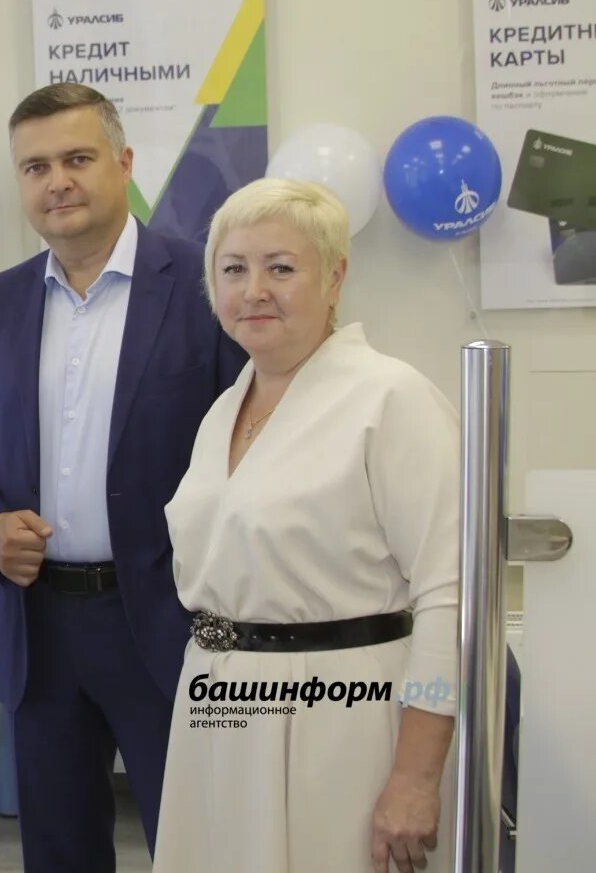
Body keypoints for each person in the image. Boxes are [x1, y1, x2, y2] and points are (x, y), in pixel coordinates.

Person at [0, 83, 246, 871]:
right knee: (59, 853)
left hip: (173, 621)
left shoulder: (205, 287)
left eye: (77, 159)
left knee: (199, 849)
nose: (57, 182)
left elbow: (256, 452)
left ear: (124, 164)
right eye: (36, 167)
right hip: (42, 631)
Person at [152, 178, 460, 873]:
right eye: (234, 269)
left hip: (341, 716)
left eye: (282, 268)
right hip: (219, 708)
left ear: (335, 278)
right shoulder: (225, 411)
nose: (254, 290)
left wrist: (416, 777)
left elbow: (450, 595)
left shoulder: (390, 398)